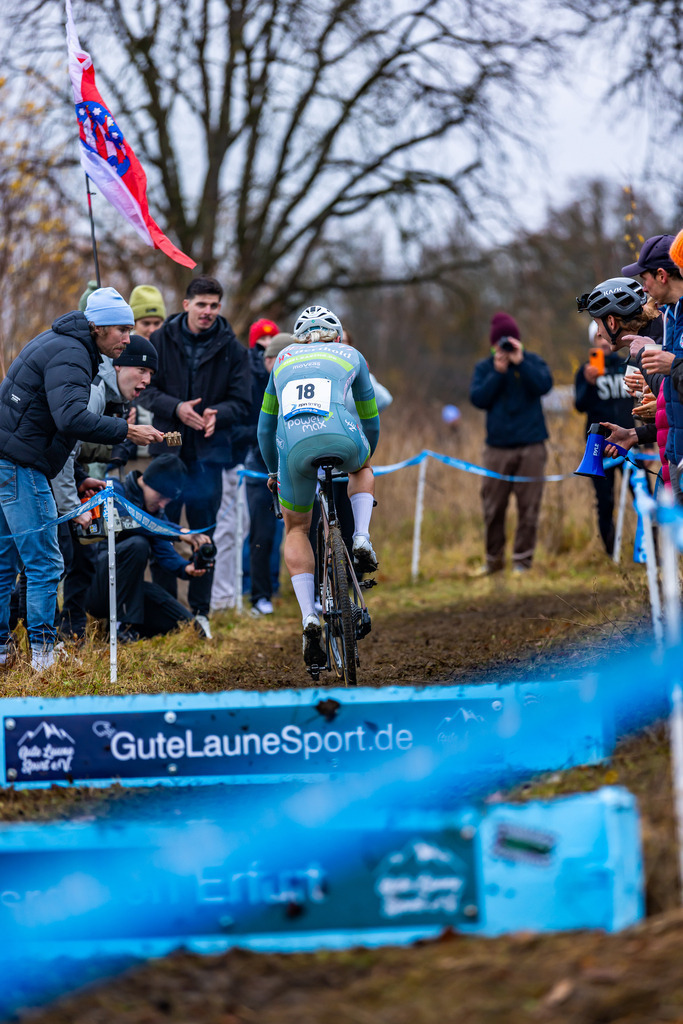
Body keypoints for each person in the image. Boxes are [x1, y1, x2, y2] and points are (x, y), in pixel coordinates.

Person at [0, 287, 163, 670]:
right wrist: (127, 432)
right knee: (45, 563)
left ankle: (4, 650)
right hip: (20, 465)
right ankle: (43, 655)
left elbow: (59, 431)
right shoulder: (72, 353)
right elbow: (71, 419)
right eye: (122, 329)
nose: (128, 337)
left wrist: (74, 479)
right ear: (98, 326)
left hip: (10, 460)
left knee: (6, 564)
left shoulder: (68, 345)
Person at [257, 305, 379, 669]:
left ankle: (309, 612)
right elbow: (370, 417)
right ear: (336, 335)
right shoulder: (351, 354)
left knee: (297, 527)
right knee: (362, 468)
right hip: (342, 439)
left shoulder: (282, 359)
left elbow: (265, 429)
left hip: (292, 449)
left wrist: (272, 472)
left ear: (298, 338)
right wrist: (366, 455)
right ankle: (360, 536)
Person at [143, 276, 252, 637]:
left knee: (206, 532)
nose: (207, 312)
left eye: (214, 305)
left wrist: (218, 413)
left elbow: (243, 402)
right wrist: (176, 408)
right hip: (167, 452)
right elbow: (145, 391)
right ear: (186, 304)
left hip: (209, 456)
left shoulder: (233, 349)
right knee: (162, 531)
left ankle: (201, 612)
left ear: (220, 308)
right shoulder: (159, 340)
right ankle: (167, 615)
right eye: (201, 304)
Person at [53, 335, 160, 640]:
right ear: (118, 364)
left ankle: (71, 632)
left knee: (81, 558)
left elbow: (71, 452)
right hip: (41, 481)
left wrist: (79, 478)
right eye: (142, 370)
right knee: (48, 562)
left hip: (73, 479)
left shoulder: (111, 396)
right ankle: (35, 640)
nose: (147, 380)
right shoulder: (93, 391)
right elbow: (62, 449)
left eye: (151, 374)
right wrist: (72, 507)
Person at [85, 455, 210, 641]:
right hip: (93, 584)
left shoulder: (154, 513)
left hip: (128, 591)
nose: (162, 505)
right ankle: (122, 628)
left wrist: (187, 568)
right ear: (145, 481)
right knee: (138, 544)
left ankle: (128, 629)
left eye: (167, 501)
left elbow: (165, 553)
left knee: (189, 627)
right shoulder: (112, 488)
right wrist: (180, 532)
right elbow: (133, 520)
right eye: (160, 497)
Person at [469, 312, 553, 574]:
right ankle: (493, 561)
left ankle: (522, 562)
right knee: (493, 508)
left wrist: (521, 363)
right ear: (493, 345)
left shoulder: (532, 361)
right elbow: (478, 399)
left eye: (511, 341)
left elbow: (544, 386)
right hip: (497, 448)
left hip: (532, 447)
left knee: (529, 508)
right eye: (501, 342)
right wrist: (498, 372)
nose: (505, 346)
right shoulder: (485, 368)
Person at [211, 317, 280, 615]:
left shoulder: (287, 376)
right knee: (251, 531)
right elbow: (237, 422)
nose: (267, 349)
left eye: (272, 344)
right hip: (248, 462)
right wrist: (261, 435)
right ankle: (250, 594)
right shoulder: (245, 376)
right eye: (262, 345)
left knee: (281, 532)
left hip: (285, 457)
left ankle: (274, 588)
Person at [576, 277, 666, 484]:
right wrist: (634, 435)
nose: (598, 333)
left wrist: (663, 395)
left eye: (598, 324)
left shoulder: (650, 348)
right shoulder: (650, 341)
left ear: (611, 322)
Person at [621, 236, 683, 497]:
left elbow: (675, 371)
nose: (643, 289)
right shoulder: (672, 315)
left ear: (661, 275)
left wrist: (668, 364)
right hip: (676, 459)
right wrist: (637, 433)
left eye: (643, 279)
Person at [574, 322, 634, 554]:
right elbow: (579, 406)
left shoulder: (628, 365)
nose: (602, 342)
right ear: (593, 342)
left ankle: (651, 546)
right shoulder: (585, 370)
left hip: (629, 439)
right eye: (597, 338)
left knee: (641, 493)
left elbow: (642, 403)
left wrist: (646, 442)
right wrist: (589, 385)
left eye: (605, 337)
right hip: (597, 444)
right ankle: (611, 552)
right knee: (605, 501)